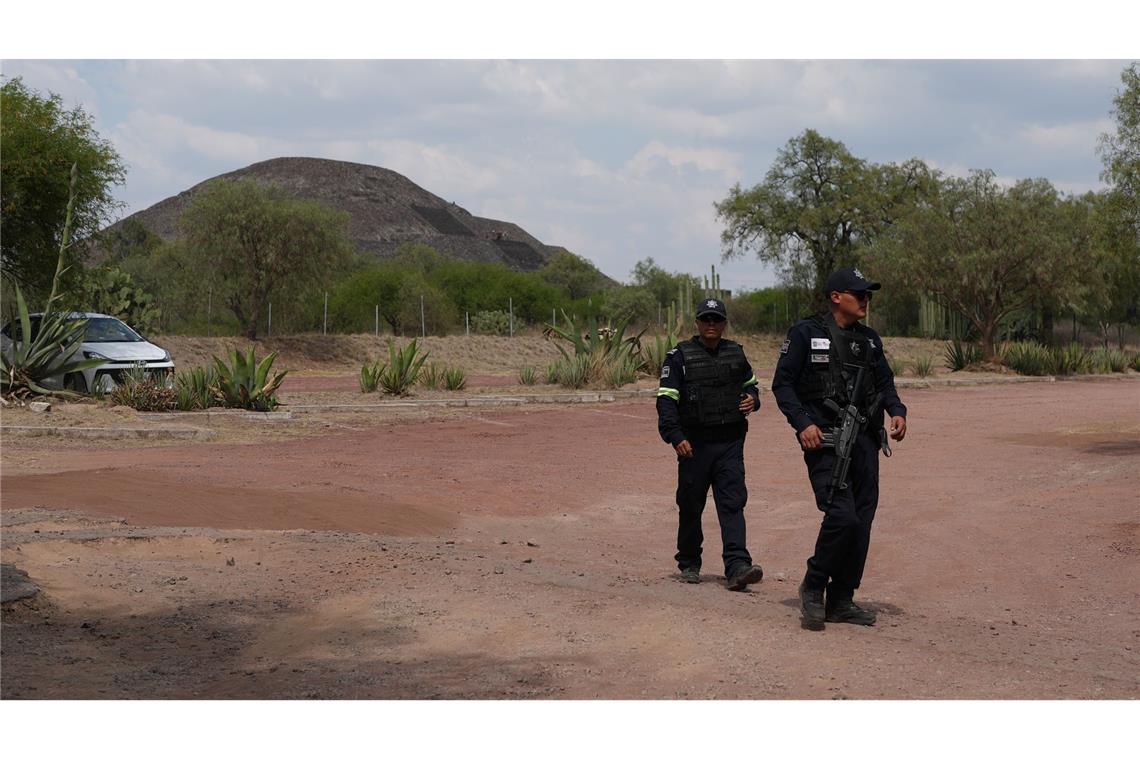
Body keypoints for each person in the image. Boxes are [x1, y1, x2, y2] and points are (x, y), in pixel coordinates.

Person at [772, 268, 908, 630]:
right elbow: (782, 384)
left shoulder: (869, 339)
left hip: (865, 442)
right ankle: (814, 584)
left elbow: (885, 382)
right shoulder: (806, 332)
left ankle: (842, 598)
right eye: (859, 294)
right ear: (836, 297)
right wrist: (803, 423)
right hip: (826, 441)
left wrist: (897, 411)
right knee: (842, 516)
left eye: (868, 295)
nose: (866, 300)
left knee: (861, 522)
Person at [656, 297, 765, 591]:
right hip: (694, 445)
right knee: (691, 505)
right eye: (706, 319)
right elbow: (666, 401)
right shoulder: (679, 356)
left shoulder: (736, 353)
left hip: (730, 443)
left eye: (716, 319)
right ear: (697, 323)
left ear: (725, 323)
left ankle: (738, 566)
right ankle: (690, 562)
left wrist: (753, 399)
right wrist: (676, 437)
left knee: (733, 503)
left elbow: (751, 386)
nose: (711, 324)